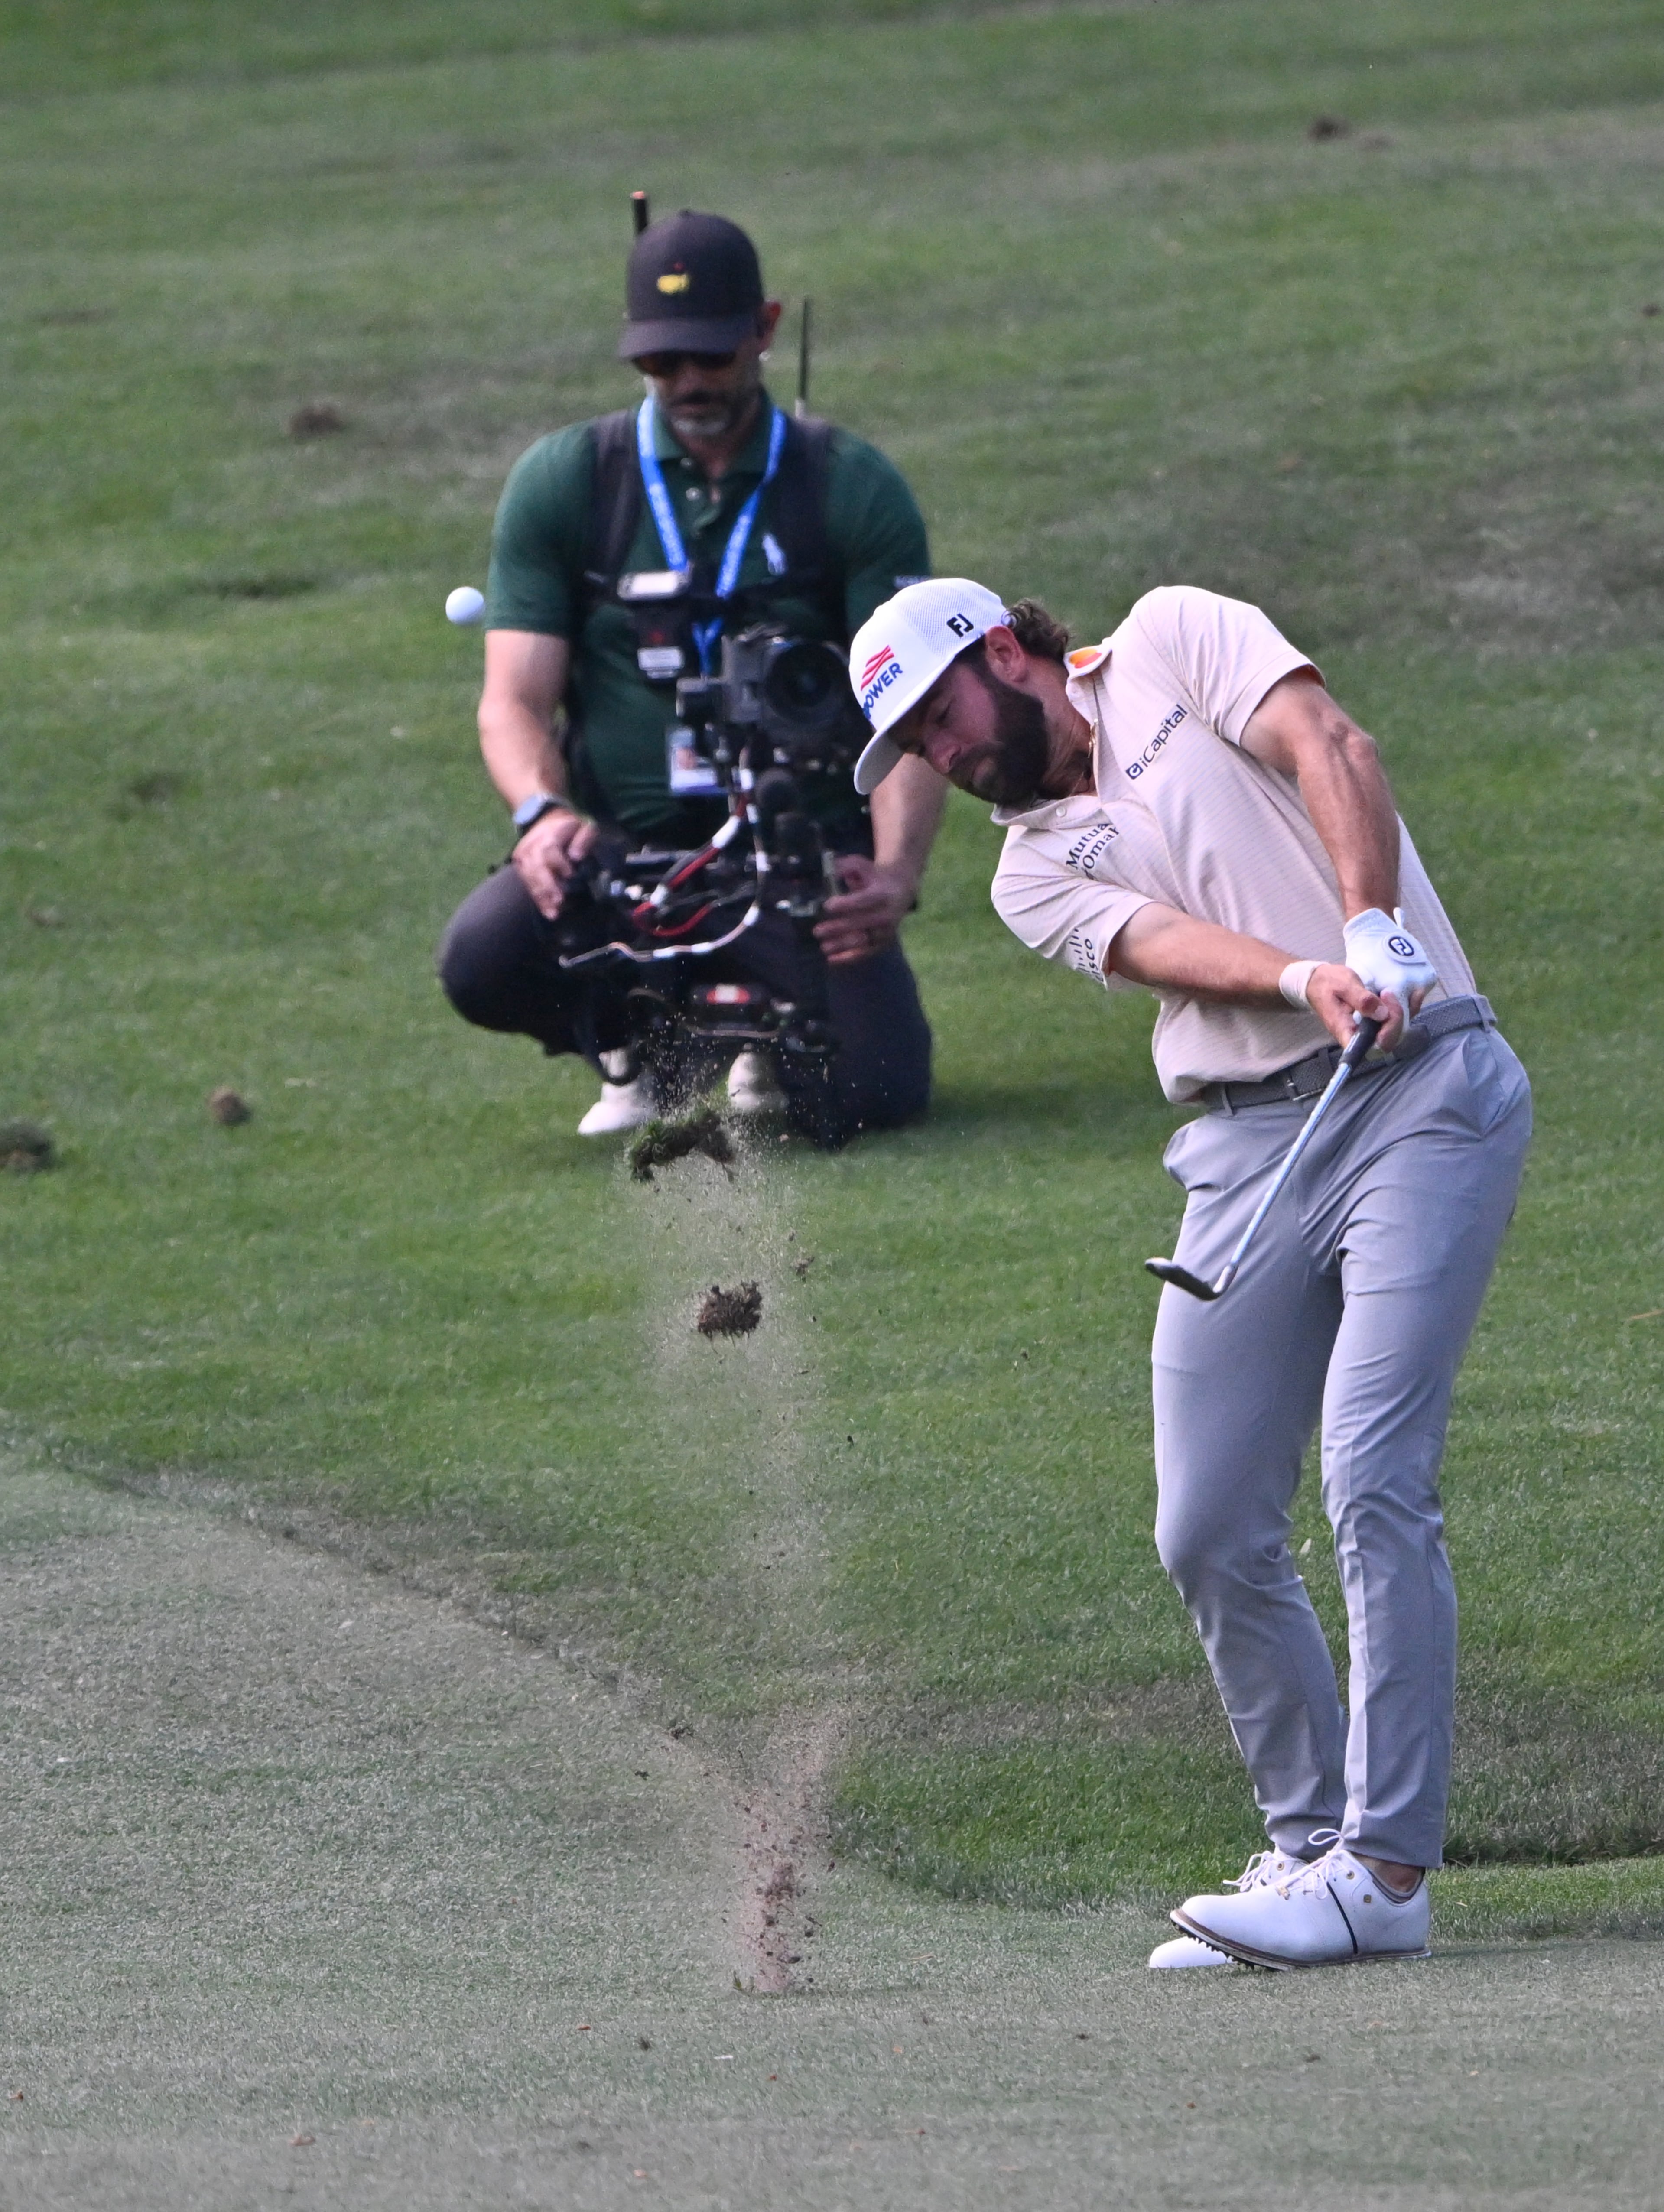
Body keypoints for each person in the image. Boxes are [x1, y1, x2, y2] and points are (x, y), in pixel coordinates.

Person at [847, 577, 1532, 1970]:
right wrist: (1299, 978)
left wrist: (1368, 929)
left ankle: (1386, 1876)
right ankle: (1306, 1849)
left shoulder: (1169, 636)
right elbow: (1162, 946)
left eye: (937, 715)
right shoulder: (1023, 868)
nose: (941, 755)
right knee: (1206, 1521)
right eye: (911, 746)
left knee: (1371, 1469)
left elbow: (1327, 746)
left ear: (1002, 650)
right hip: (1242, 1149)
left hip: (1422, 1088)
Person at [437, 208, 944, 1143]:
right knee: (484, 953)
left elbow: (913, 709)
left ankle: (763, 1033)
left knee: (873, 1095)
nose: (686, 383)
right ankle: (649, 1049)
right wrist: (543, 817)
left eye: (709, 356)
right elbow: (512, 700)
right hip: (629, 855)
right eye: (660, 363)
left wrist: (894, 872)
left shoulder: (850, 484)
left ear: (765, 330)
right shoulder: (568, 480)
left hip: (798, 851)